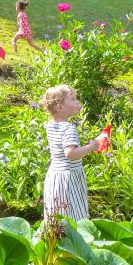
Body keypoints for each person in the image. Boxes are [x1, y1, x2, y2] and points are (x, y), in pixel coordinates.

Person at [39, 84, 105, 221]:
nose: (77, 102)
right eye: (73, 99)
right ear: (59, 107)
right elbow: (70, 154)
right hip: (69, 179)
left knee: (56, 213)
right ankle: (75, 240)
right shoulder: (68, 128)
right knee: (73, 215)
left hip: (55, 176)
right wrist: (91, 147)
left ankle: (55, 239)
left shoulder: (51, 125)